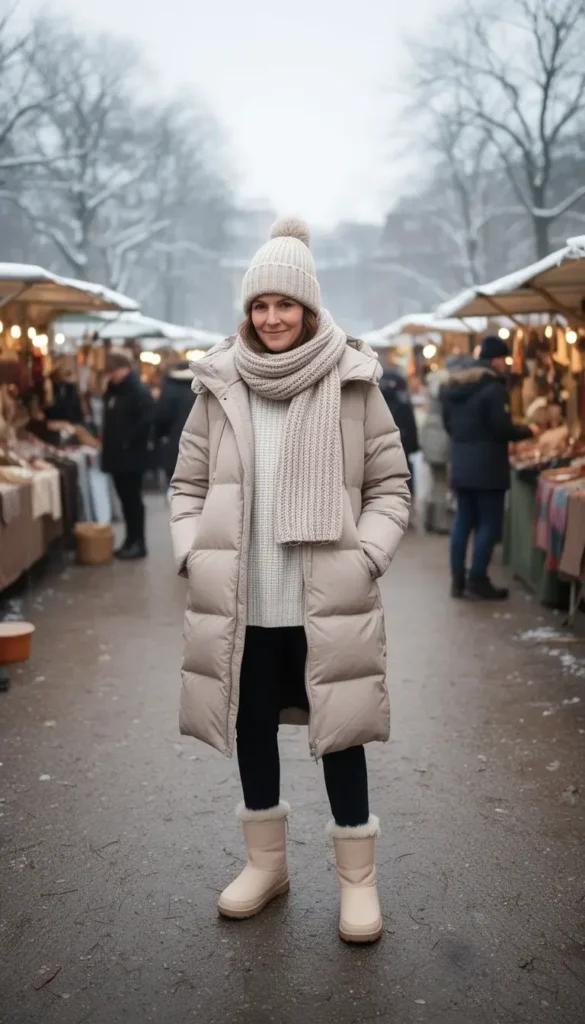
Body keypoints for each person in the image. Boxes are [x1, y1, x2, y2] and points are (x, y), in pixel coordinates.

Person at [170, 218, 411, 943]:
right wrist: (192, 552)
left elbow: (390, 488)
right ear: (246, 312)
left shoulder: (353, 382)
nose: (271, 319)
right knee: (249, 725)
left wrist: (364, 555)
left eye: (285, 305)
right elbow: (185, 486)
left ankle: (356, 884)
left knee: (340, 735)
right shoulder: (216, 384)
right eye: (258, 305)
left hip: (325, 599)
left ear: (308, 308)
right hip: (242, 600)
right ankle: (266, 867)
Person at [441, 335, 538, 600]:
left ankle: (457, 580)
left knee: (462, 522)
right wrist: (527, 430)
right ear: (495, 360)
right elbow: (501, 427)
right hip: (488, 469)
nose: (506, 365)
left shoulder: (454, 387)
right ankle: (478, 579)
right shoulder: (493, 388)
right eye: (504, 360)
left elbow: (448, 425)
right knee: (488, 524)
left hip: (461, 464)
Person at [101, 348, 154, 560]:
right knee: (125, 500)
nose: (111, 375)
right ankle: (130, 540)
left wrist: (128, 441)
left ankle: (138, 542)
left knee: (133, 501)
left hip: (131, 457)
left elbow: (147, 421)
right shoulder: (115, 391)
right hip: (118, 457)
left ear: (124, 369)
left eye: (114, 371)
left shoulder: (137, 390)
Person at [420, 366, 451, 534]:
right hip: (440, 441)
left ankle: (428, 519)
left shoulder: (431, 396)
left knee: (432, 483)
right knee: (440, 483)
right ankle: (439, 522)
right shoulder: (443, 397)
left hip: (429, 439)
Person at [154, 360, 195, 485]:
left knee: (176, 488)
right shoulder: (203, 386)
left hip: (174, 447)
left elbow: (162, 418)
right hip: (199, 449)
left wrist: (158, 437)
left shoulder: (169, 388)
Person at [379, 366, 419, 495]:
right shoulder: (404, 401)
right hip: (401, 450)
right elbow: (412, 429)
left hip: (378, 452)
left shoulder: (374, 398)